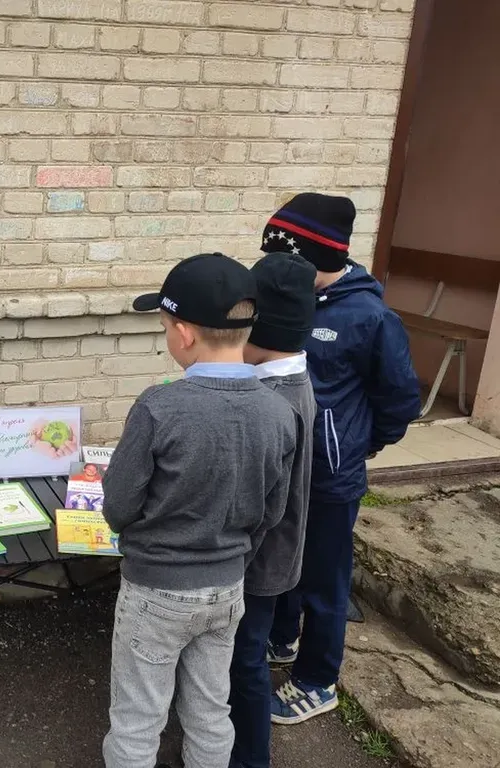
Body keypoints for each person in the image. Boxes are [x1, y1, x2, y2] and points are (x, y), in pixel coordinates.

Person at [99, 253, 298, 768]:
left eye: (165, 327)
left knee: (138, 720)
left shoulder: (158, 406)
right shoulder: (280, 411)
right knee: (211, 712)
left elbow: (119, 504)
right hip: (228, 588)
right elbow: (273, 511)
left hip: (155, 589)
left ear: (184, 334)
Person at [262, 193, 421, 724]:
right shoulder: (288, 297)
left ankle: (317, 680)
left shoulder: (370, 317)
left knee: (323, 579)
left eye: (284, 258)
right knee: (281, 558)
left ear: (316, 257)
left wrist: (357, 444)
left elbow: (400, 399)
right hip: (282, 466)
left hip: (331, 474)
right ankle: (282, 638)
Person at [229, 252, 318, 768]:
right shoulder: (292, 380)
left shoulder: (273, 401)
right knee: (244, 654)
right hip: (273, 552)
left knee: (245, 661)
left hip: (258, 560)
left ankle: (249, 757)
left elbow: (256, 500)